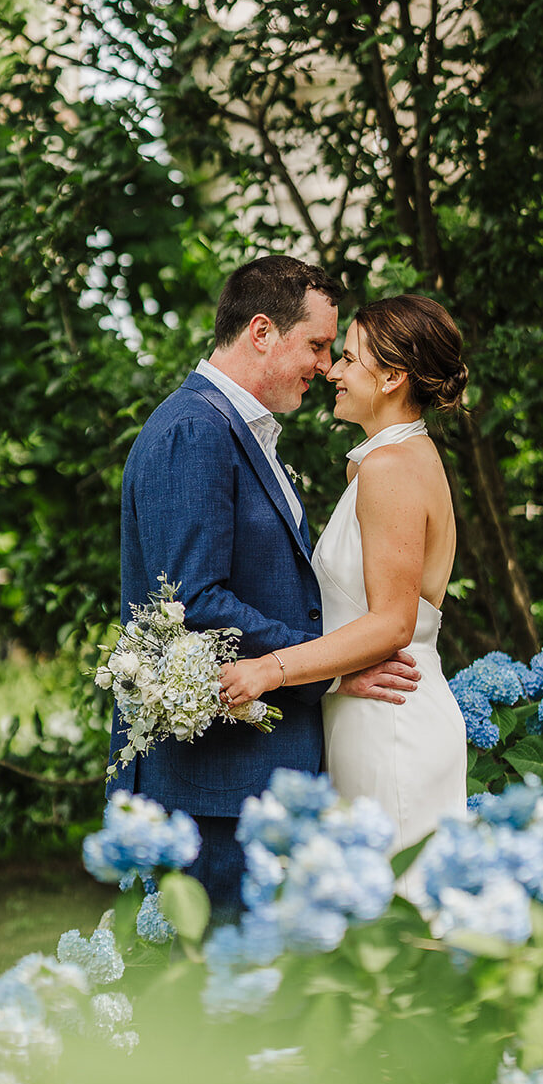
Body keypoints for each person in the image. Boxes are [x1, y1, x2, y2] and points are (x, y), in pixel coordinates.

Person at [111, 256, 421, 916]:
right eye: (314, 345)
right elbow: (190, 602)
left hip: (246, 779)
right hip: (213, 787)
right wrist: (329, 666)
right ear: (260, 332)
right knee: (215, 999)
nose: (324, 364)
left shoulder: (233, 431)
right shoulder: (195, 431)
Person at [220, 292, 469, 868]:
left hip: (392, 721)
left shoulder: (391, 469)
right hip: (369, 710)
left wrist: (269, 668)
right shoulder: (389, 460)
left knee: (393, 914)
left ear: (392, 379)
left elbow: (392, 623)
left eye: (351, 358)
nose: (332, 369)